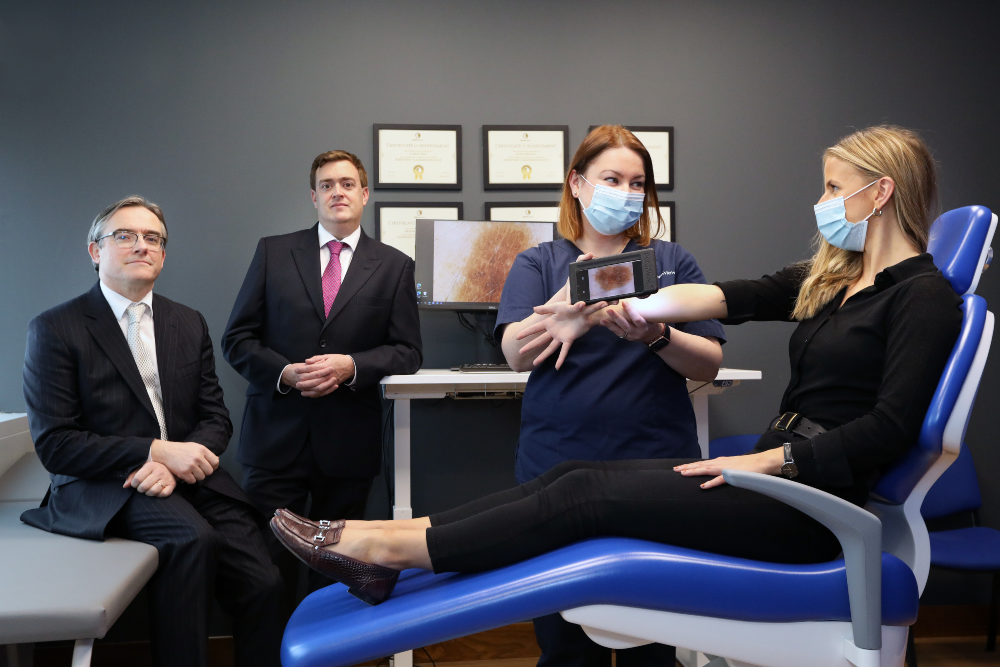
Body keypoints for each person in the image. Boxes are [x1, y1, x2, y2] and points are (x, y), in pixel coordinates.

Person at [270, 126, 963, 620]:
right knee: (572, 478)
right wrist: (619, 304)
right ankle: (386, 545)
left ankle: (381, 545)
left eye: (833, 188)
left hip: (817, 505)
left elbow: (892, 429)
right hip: (780, 481)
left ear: (880, 193)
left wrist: (771, 460)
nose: (823, 201)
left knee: (587, 495)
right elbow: (725, 296)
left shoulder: (924, 295)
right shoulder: (830, 279)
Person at [494, 125, 725, 667]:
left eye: (637, 182)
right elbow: (515, 354)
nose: (626, 191)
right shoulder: (539, 262)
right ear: (576, 183)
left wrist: (655, 334)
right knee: (566, 644)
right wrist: (574, 298)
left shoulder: (669, 262)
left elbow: (709, 361)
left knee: (653, 641)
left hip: (656, 467)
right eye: (611, 178)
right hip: (557, 466)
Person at [22, 196, 285, 667]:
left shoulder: (187, 321)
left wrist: (176, 466)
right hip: (105, 485)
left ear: (163, 255)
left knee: (264, 581)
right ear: (94, 251)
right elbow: (57, 445)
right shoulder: (56, 328)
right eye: (125, 235)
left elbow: (215, 417)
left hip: (189, 476)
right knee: (191, 540)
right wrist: (158, 453)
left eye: (153, 238)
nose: (141, 245)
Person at [222, 150, 422, 602]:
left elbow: (408, 351)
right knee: (264, 572)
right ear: (314, 197)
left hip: (348, 442)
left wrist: (353, 366)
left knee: (335, 573)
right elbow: (237, 339)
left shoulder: (394, 266)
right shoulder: (273, 251)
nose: (338, 192)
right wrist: (286, 373)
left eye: (347, 184)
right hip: (275, 439)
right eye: (327, 185)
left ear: (365, 194)